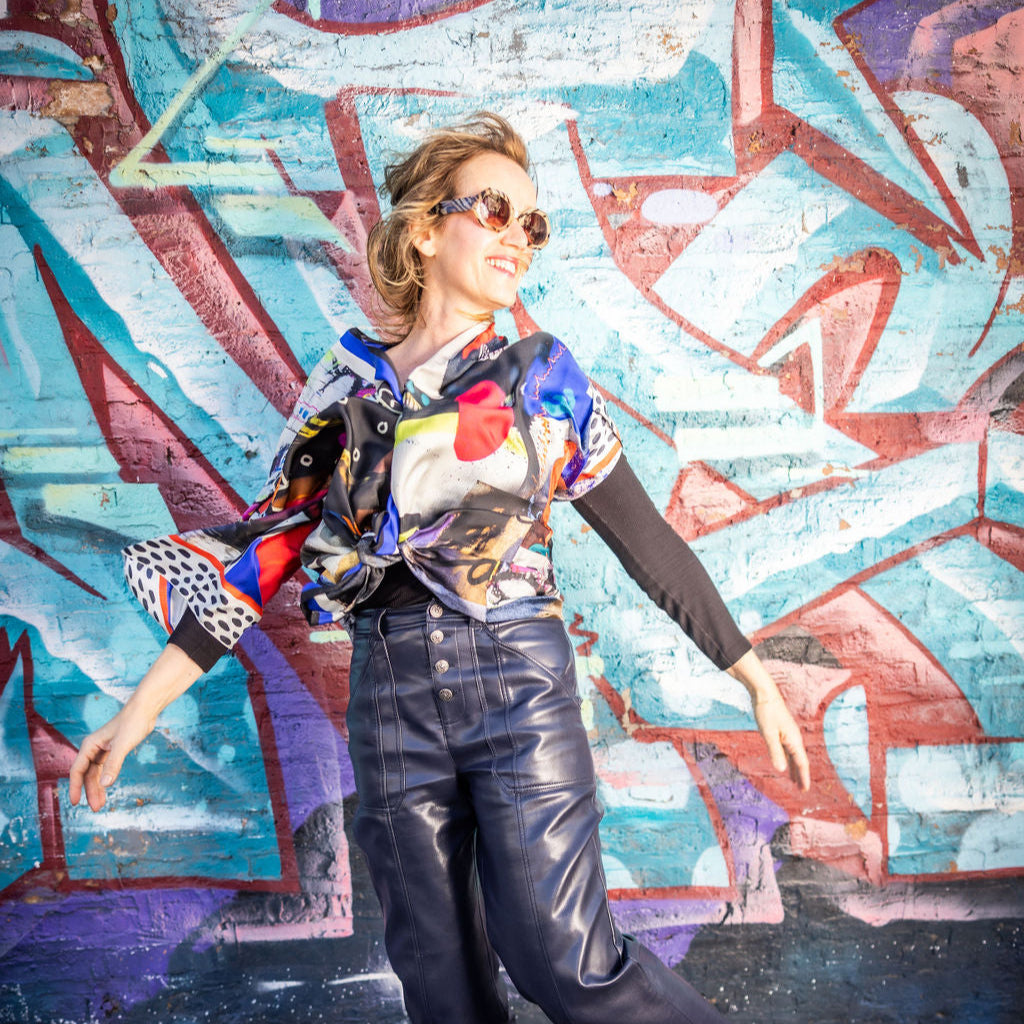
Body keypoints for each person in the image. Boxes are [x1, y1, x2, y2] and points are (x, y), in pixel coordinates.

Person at [70, 112, 810, 1024]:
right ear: (424, 230)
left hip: (517, 682)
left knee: (563, 962)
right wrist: (134, 720)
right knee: (443, 990)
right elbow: (258, 563)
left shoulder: (543, 380)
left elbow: (643, 536)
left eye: (531, 225)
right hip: (390, 700)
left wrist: (749, 671)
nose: (516, 238)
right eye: (495, 210)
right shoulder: (342, 387)